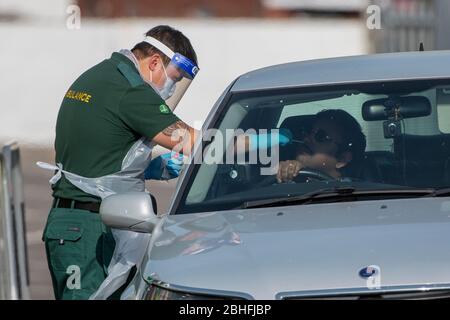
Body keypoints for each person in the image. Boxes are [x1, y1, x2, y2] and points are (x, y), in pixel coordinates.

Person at [38, 25, 200, 300]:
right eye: (176, 77)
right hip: (88, 228)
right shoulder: (131, 91)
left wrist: (148, 168)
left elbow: (99, 149)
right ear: (154, 62)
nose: (172, 87)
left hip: (74, 224)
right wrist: (253, 144)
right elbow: (191, 142)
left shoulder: (101, 76)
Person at [276, 109, 366, 183]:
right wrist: (284, 174)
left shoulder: (353, 194)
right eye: (307, 131)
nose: (306, 139)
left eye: (321, 136)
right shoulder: (287, 183)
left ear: (342, 159)